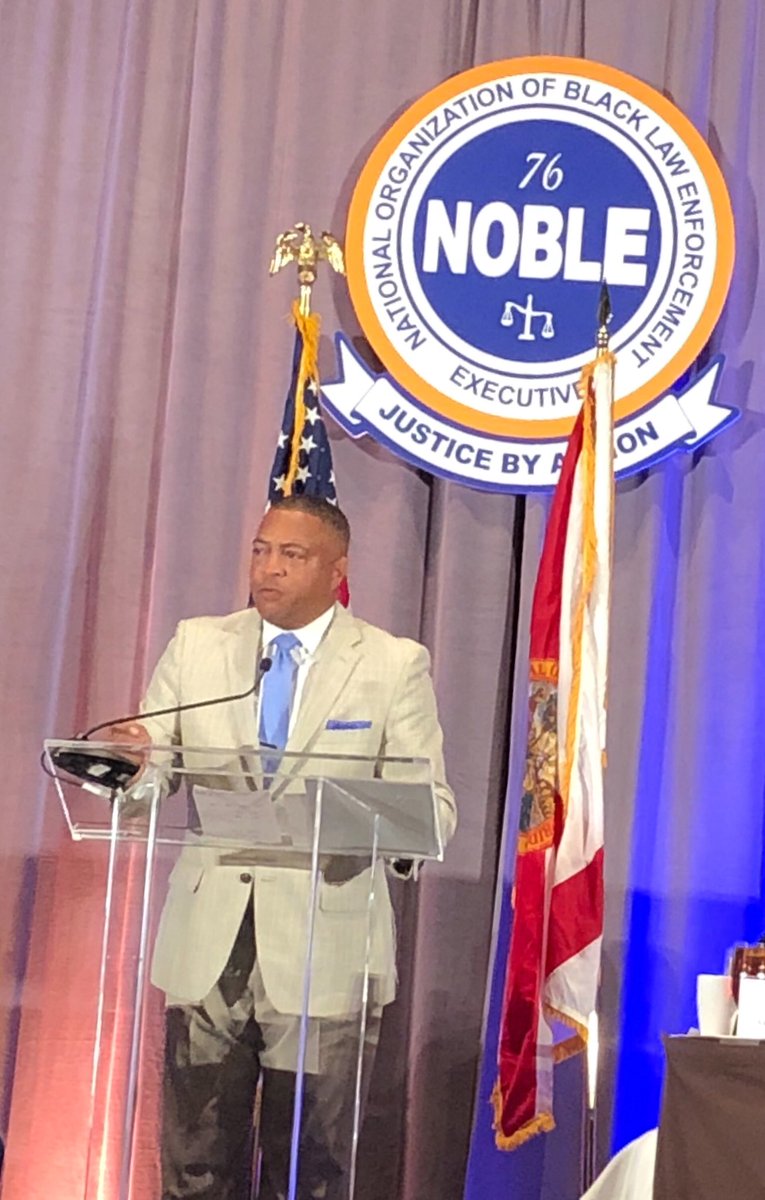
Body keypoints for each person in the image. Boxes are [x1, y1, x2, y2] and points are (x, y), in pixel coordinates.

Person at [111, 495, 455, 1200]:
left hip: (325, 950)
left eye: (291, 555)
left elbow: (433, 811)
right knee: (194, 1164)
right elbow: (156, 766)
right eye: (261, 550)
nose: (268, 568)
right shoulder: (199, 645)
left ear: (337, 571)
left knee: (311, 1170)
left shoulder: (391, 664)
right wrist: (133, 765)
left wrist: (344, 816)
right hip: (210, 945)